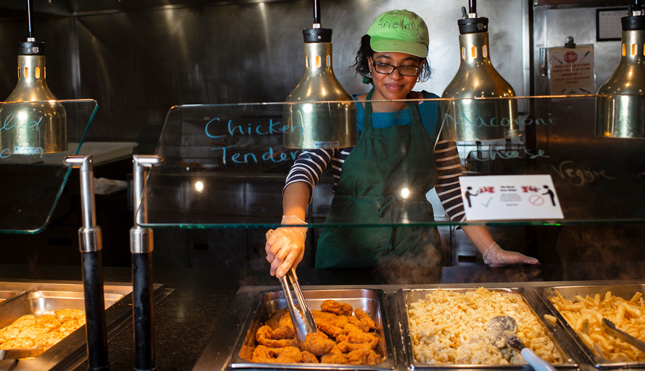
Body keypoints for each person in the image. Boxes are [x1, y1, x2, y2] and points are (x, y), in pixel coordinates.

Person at [265, 9, 538, 279]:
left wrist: (490, 250)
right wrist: (293, 224)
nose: (395, 75)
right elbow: (303, 171)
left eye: (408, 65)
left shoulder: (433, 110)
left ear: (420, 67)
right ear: (369, 64)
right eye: (384, 63)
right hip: (347, 255)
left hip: (417, 254)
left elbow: (452, 185)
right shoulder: (344, 111)